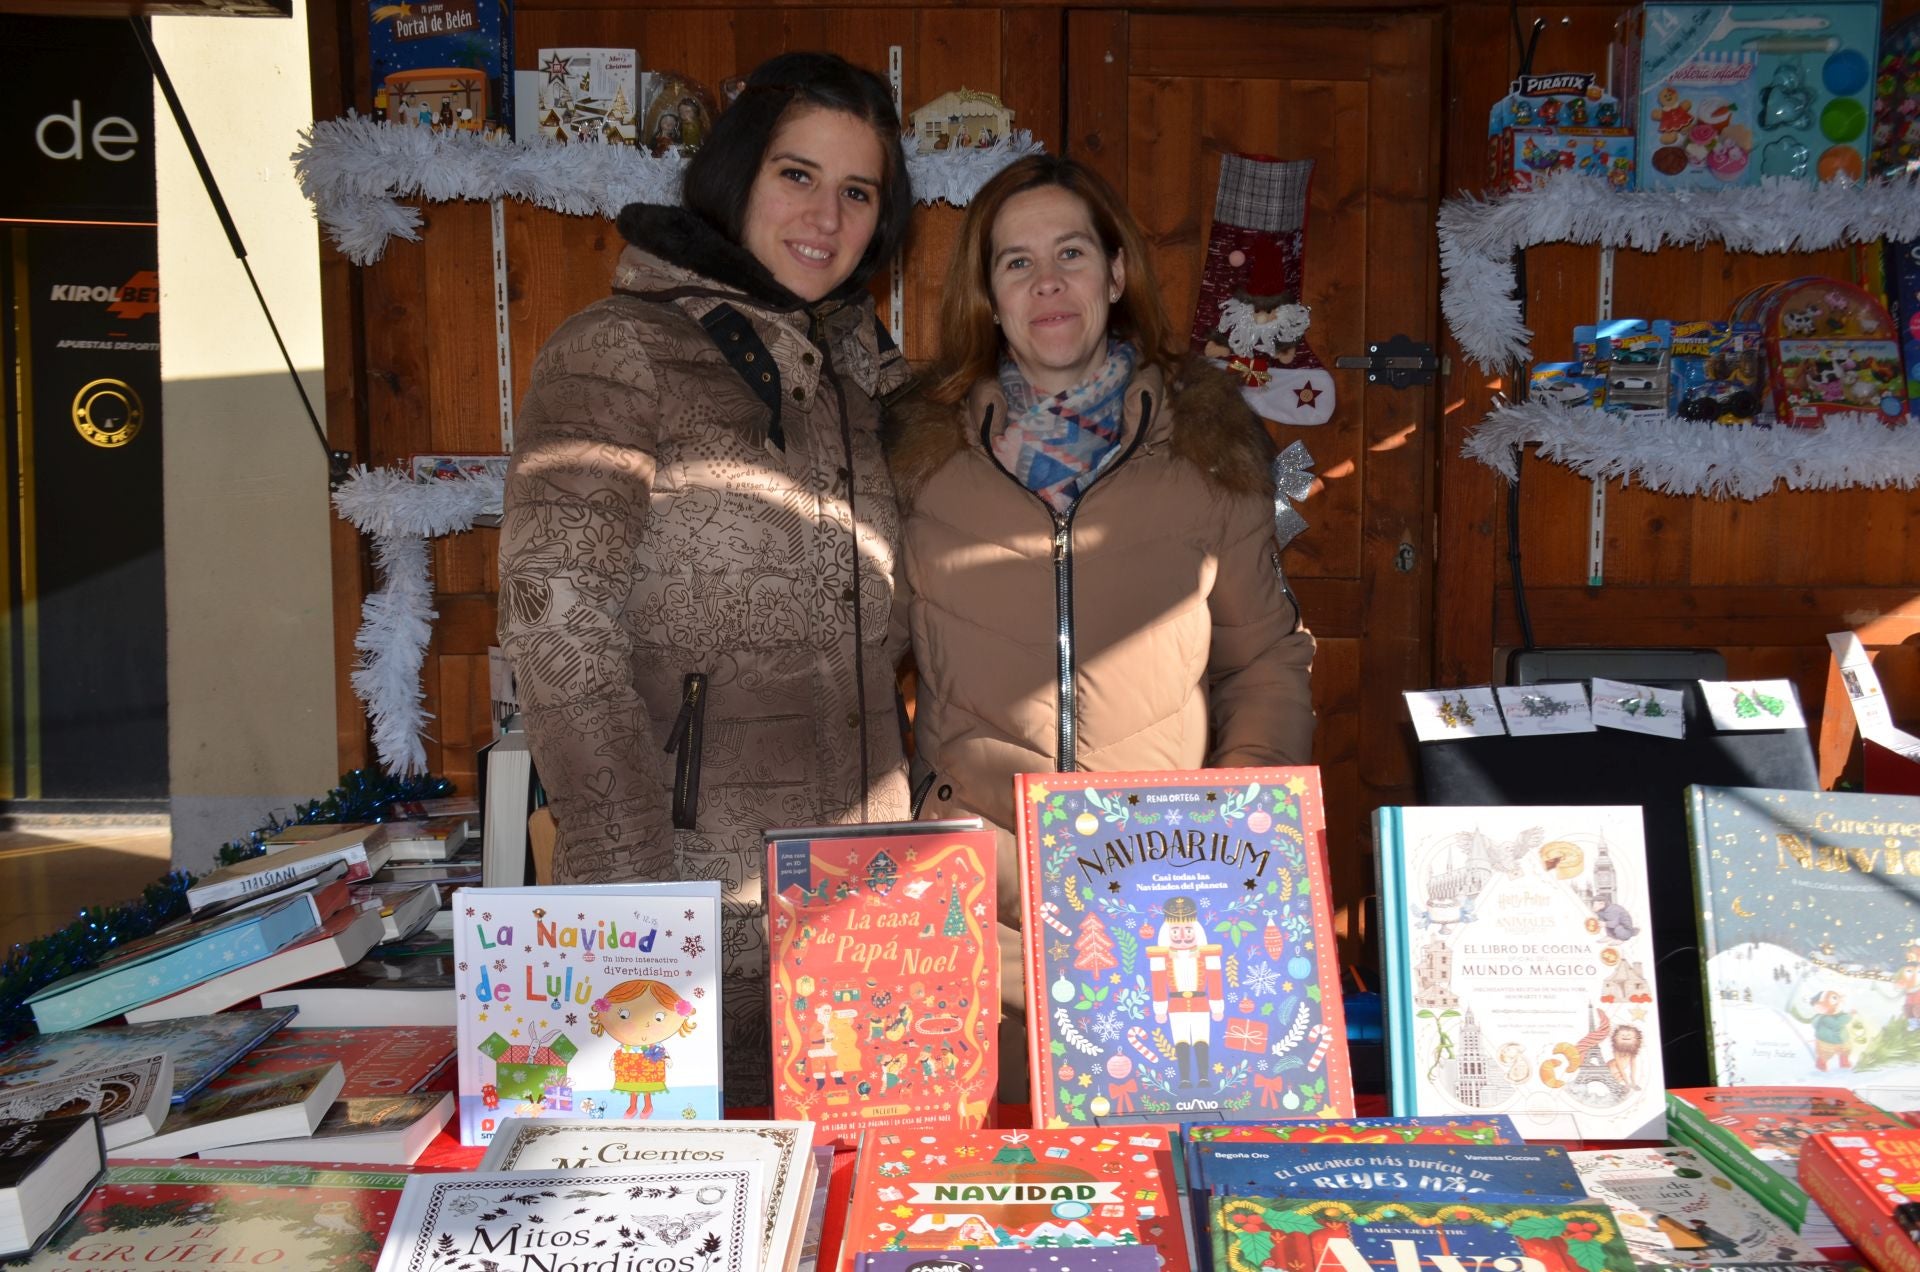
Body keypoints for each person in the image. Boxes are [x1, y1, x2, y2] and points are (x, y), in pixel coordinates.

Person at [498, 51, 915, 1106]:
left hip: (868, 904)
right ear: (736, 176)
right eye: (797, 174)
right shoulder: (617, 353)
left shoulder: (864, 381)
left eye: (857, 190)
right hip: (687, 896)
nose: (827, 214)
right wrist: (632, 898)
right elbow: (560, 635)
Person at [885, 154, 1315, 970]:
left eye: (1071, 254)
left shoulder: (1206, 453)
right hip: (970, 894)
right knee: (995, 1102)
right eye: (1018, 263)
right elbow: (865, 661)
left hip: (1163, 884)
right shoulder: (919, 462)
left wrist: (1228, 821)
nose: (1047, 283)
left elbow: (1264, 664)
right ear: (991, 294)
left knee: (1153, 1094)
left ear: (1116, 273)